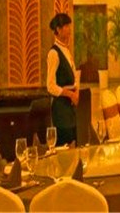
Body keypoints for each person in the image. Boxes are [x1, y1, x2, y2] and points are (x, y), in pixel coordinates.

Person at [46, 13, 78, 146]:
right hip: (61, 108)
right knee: (64, 147)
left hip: (70, 108)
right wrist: (69, 94)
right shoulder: (54, 53)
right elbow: (50, 86)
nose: (69, 29)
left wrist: (76, 92)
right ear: (58, 30)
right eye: (66, 26)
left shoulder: (66, 50)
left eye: (69, 26)